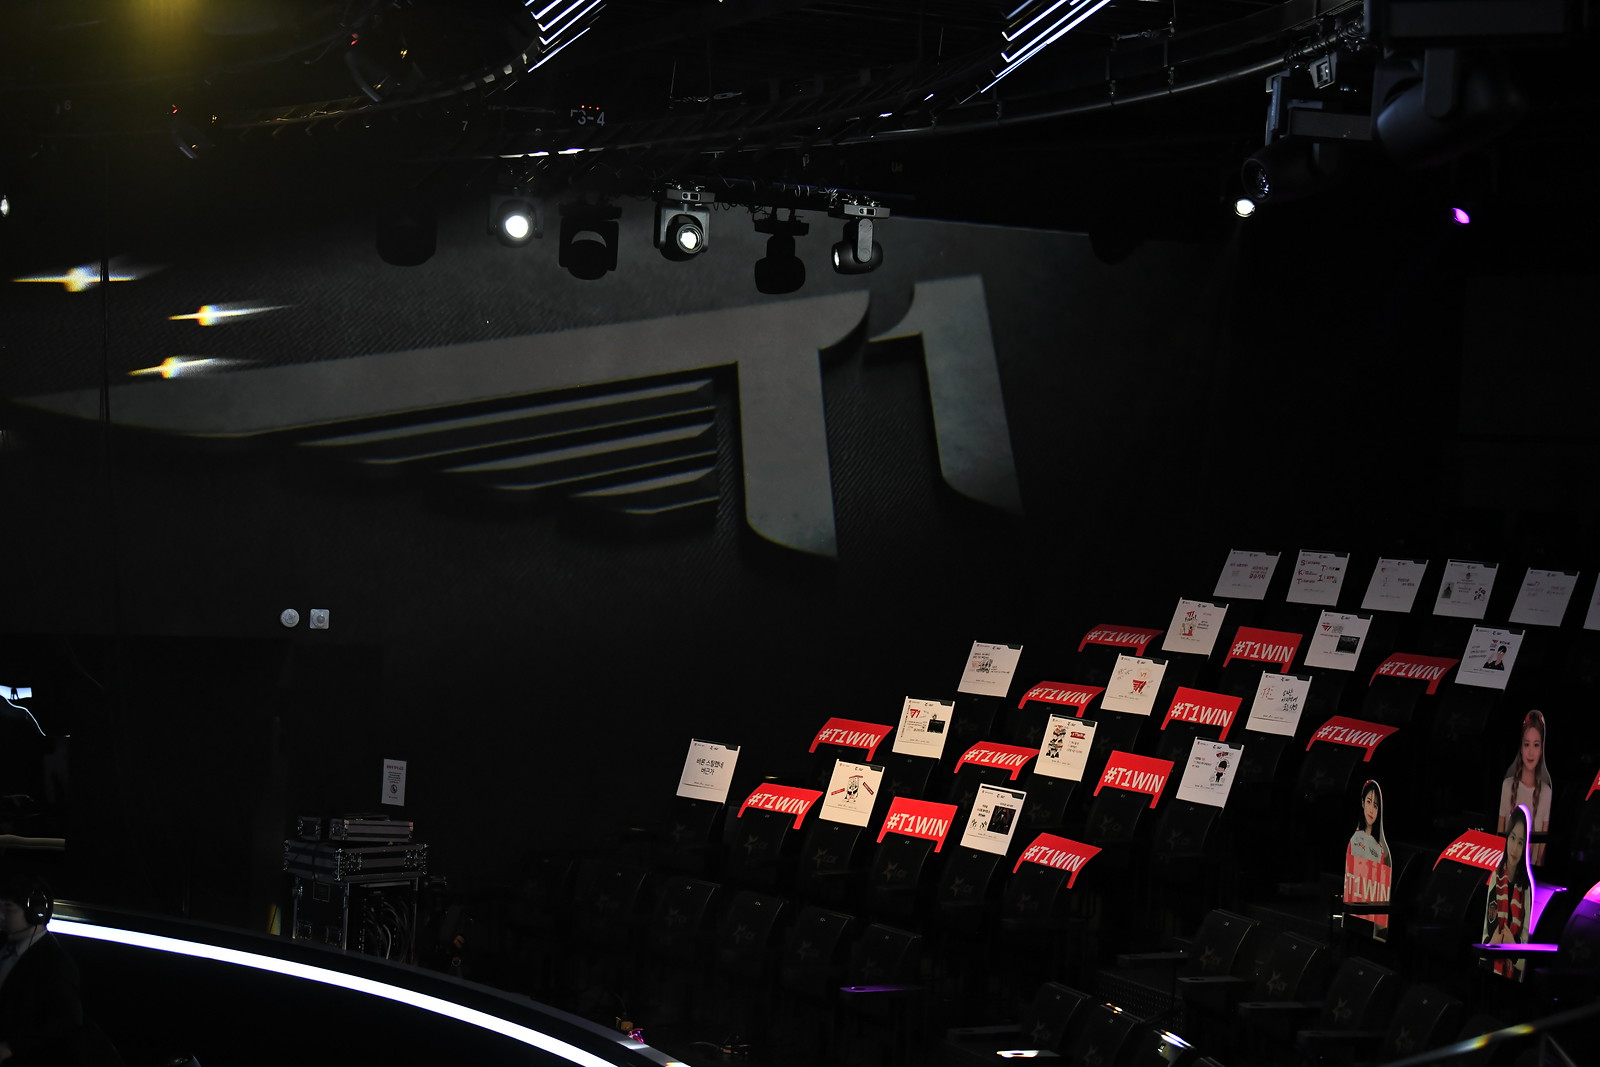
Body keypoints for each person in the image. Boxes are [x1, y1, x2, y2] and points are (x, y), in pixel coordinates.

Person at [0, 875, 122, 1066]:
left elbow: (66, 1021)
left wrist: (12, 1047)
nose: (0, 916)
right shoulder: (4, 945)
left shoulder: (55, 963)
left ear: (36, 913)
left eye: (8, 909)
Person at [1484, 804, 1533, 980]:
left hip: (1513, 976)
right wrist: (1492, 944)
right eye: (1512, 838)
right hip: (1489, 969)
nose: (1514, 848)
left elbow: (1525, 957)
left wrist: (1512, 946)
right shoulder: (1495, 877)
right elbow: (1484, 934)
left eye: (1520, 842)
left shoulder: (1526, 888)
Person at [1497, 710, 1552, 864]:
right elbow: (1500, 830)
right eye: (1527, 744)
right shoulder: (1508, 785)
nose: (1530, 752)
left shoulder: (1546, 792)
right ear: (1521, 747)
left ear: (1541, 750)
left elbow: (1542, 843)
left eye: (1536, 745)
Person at [1344, 780, 1393, 931]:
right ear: (1362, 803)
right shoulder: (1354, 840)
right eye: (1369, 802)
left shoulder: (1380, 849)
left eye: (1376, 805)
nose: (1371, 809)